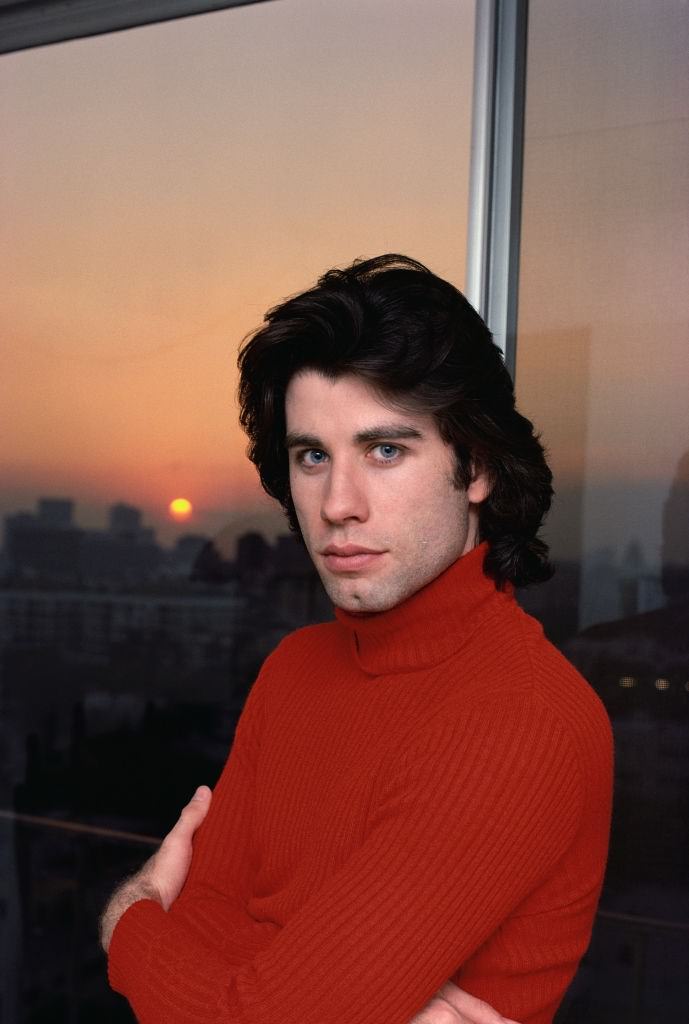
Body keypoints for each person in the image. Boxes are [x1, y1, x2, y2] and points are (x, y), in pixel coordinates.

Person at [100, 254, 613, 1024]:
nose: (338, 503)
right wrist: (190, 950)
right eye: (312, 456)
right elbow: (217, 947)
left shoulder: (520, 719)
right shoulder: (295, 667)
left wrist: (126, 925)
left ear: (474, 465)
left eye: (384, 450)